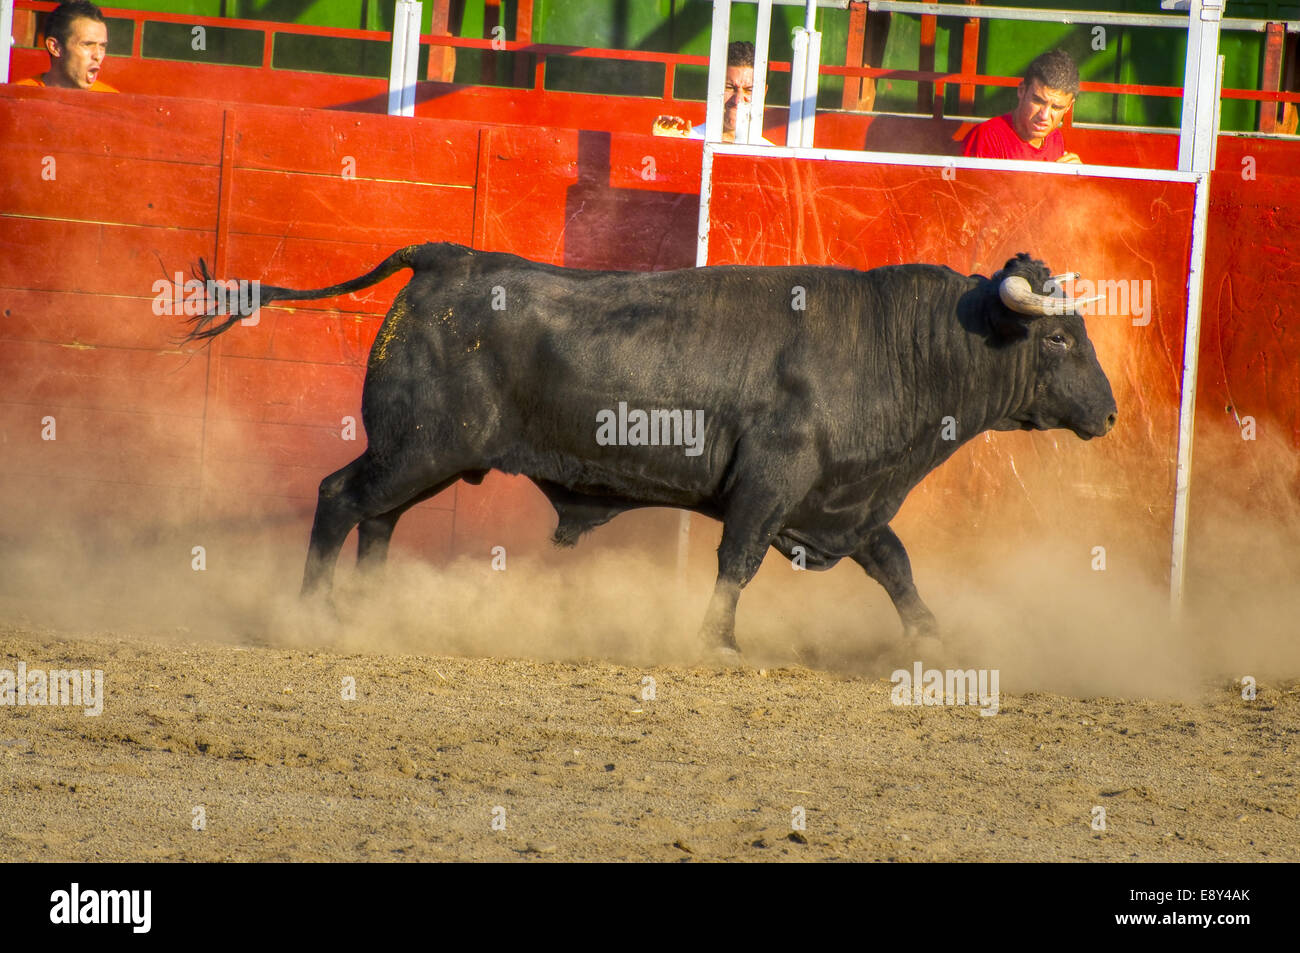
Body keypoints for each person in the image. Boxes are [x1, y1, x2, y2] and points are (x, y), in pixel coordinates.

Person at [962, 49, 1078, 163]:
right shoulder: (987, 138)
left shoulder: (1055, 138)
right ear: (1022, 91)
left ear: (1068, 107)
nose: (1044, 115)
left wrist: (1076, 177)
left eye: (1056, 107)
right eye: (1038, 101)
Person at [654, 40, 770, 143]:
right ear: (712, 88)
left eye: (749, 90)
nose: (738, 100)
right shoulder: (687, 141)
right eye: (729, 87)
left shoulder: (772, 156)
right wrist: (665, 147)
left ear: (763, 93)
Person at [13, 1, 117, 92]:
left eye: (102, 46)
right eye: (87, 44)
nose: (98, 56)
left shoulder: (111, 100)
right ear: (54, 47)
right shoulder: (19, 96)